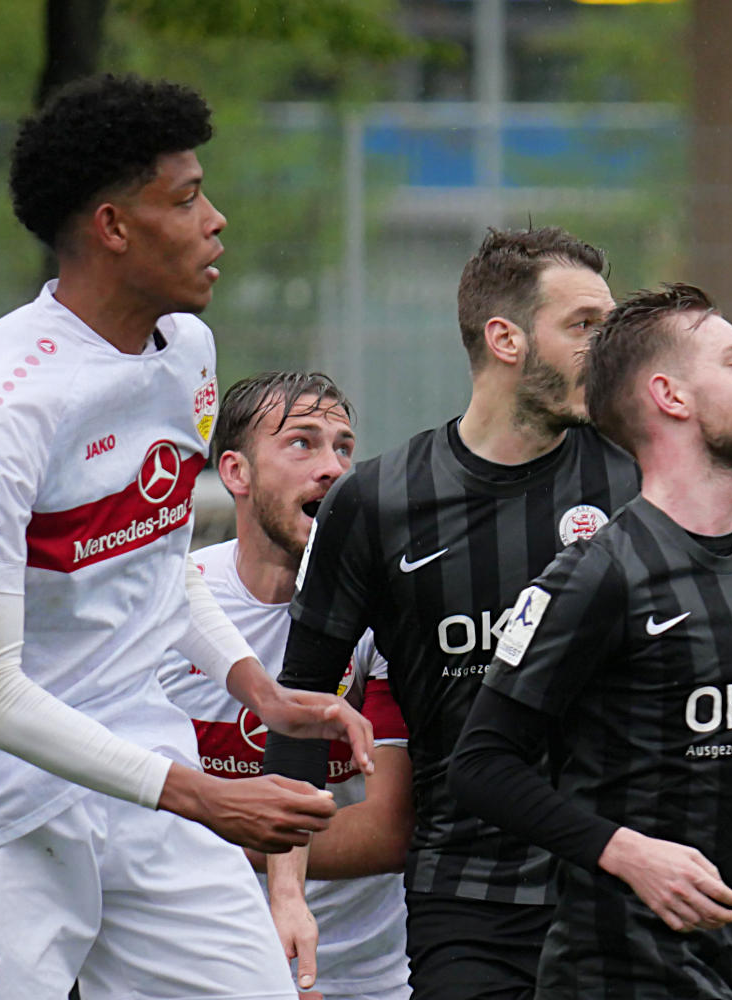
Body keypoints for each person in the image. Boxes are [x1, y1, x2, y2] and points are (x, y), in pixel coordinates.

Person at [0, 74, 372, 1000]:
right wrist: (207, 796)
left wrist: (261, 691)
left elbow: (156, 563)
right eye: (186, 196)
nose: (217, 219)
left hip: (146, 782)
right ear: (114, 227)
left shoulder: (188, 353)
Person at [448, 282, 732, 998]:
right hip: (617, 973)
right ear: (671, 397)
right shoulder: (599, 572)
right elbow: (483, 767)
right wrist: (624, 852)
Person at [262, 227, 640, 1000]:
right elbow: (300, 705)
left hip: (622, 887)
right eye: (583, 327)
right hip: (467, 899)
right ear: (505, 338)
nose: (606, 352)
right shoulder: (376, 502)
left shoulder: (638, 480)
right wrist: (287, 891)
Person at [159, 371, 413, 1000]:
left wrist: (200, 826)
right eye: (302, 443)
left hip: (362, 973)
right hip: (197, 960)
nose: (333, 468)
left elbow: (386, 830)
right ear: (236, 474)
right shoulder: (170, 602)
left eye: (345, 447)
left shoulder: (389, 611)